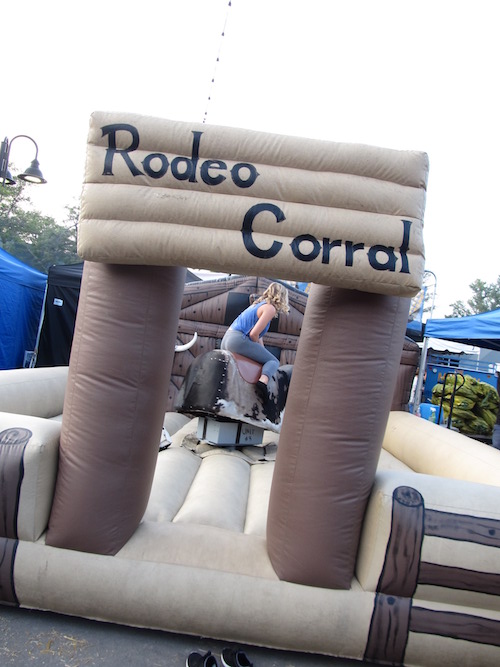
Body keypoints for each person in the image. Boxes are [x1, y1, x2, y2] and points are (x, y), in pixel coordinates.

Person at [221, 282, 290, 400]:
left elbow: (258, 335)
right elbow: (254, 334)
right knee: (273, 361)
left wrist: (262, 350)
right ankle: (262, 383)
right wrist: (265, 356)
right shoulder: (270, 308)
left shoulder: (257, 305)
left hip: (227, 338)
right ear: (282, 297)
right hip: (238, 339)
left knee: (264, 359)